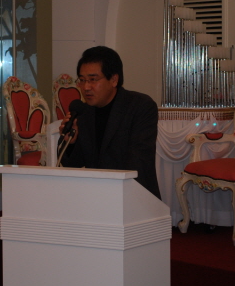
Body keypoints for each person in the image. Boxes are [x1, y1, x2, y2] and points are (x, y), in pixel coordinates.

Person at [59, 46, 161, 199]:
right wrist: (71, 143)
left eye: (93, 80)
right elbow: (73, 164)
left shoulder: (140, 106)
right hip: (96, 196)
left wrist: (108, 192)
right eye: (82, 80)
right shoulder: (84, 112)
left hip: (135, 196)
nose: (86, 87)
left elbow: (138, 162)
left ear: (114, 80)